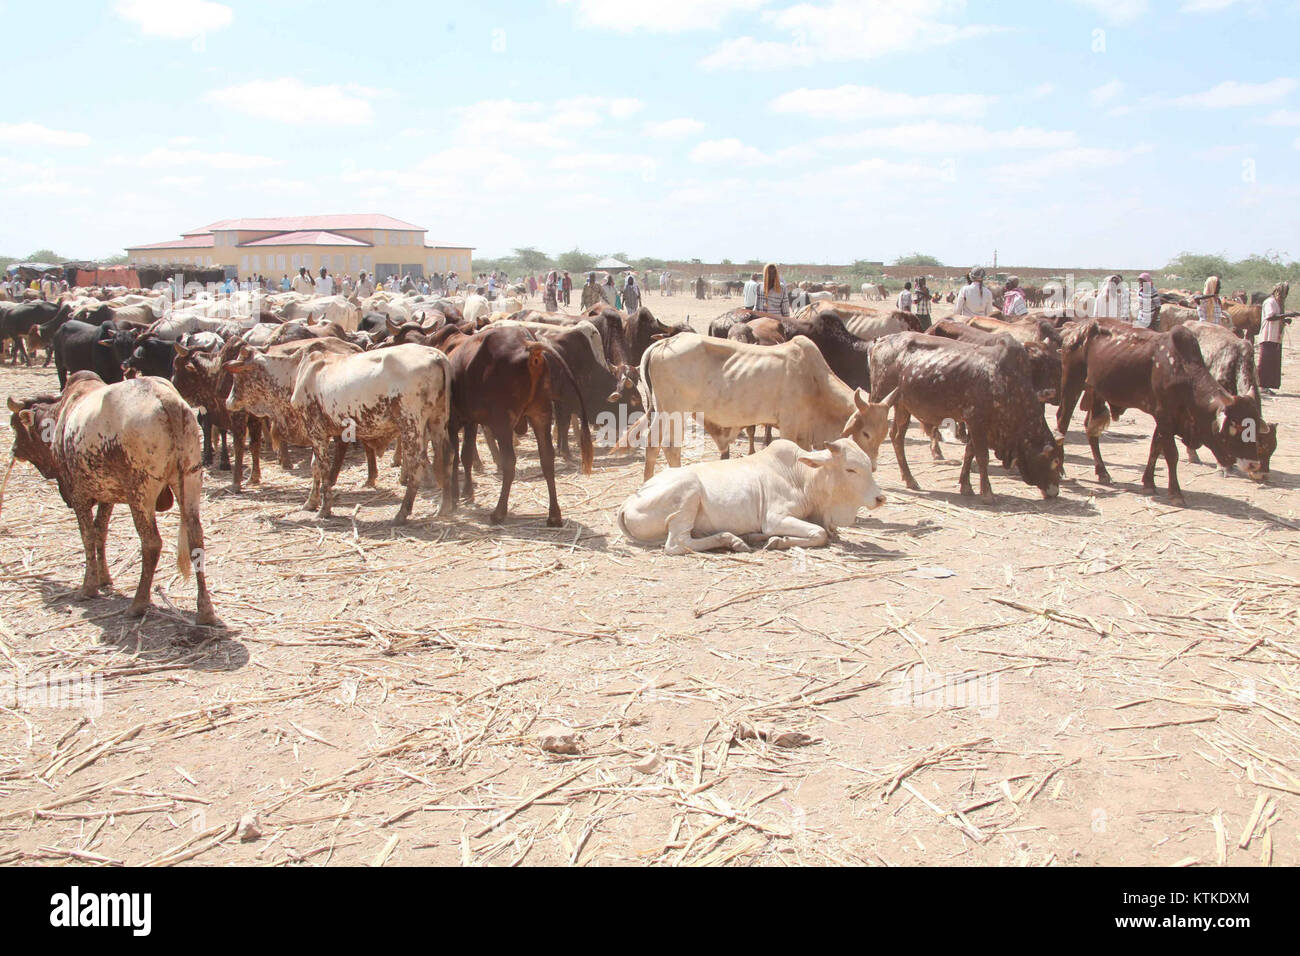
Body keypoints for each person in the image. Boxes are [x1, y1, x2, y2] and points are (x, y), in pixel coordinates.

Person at [1259, 281, 1290, 394]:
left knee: (1272, 362)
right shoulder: (1270, 302)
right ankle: (1262, 385)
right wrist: (1287, 315)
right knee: (1265, 362)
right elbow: (1270, 317)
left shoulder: (1277, 303)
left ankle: (1267, 386)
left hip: (1275, 336)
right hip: (1268, 335)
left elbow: (1277, 317)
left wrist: (1285, 319)